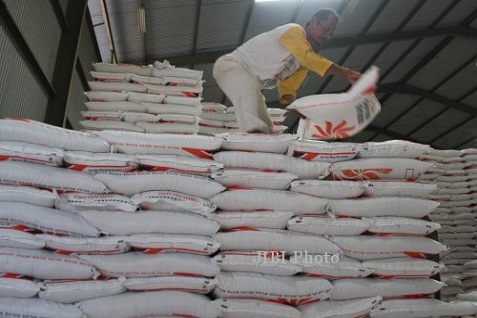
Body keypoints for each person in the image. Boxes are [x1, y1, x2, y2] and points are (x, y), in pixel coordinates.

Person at [213, 8, 362, 133]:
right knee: (252, 115)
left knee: (265, 129)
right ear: (314, 21)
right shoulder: (294, 31)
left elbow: (288, 88)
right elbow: (309, 58)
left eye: (331, 34)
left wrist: (298, 107)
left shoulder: (300, 62)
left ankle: (259, 156)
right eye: (326, 29)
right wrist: (347, 73)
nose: (327, 36)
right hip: (230, 66)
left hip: (251, 84)